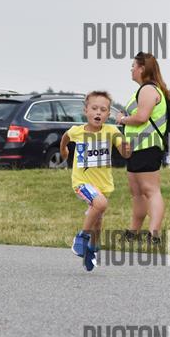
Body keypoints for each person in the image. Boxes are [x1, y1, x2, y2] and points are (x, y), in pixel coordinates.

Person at [60, 91, 131, 271]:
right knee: (100, 204)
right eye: (94, 108)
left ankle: (92, 248)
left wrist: (126, 147)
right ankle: (81, 237)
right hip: (82, 183)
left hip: (103, 185)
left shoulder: (112, 131)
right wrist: (64, 151)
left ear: (108, 115)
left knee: (98, 222)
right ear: (86, 111)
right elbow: (65, 138)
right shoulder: (77, 131)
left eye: (103, 110)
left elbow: (125, 153)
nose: (98, 112)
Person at [117, 52, 170, 245]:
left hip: (148, 147)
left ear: (142, 68)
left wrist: (122, 119)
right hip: (136, 148)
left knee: (151, 191)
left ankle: (154, 235)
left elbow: (141, 117)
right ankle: (134, 232)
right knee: (137, 193)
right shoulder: (143, 90)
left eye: (133, 66)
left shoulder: (148, 89)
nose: (131, 69)